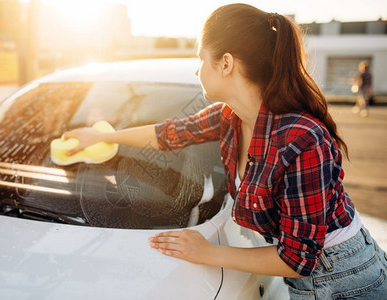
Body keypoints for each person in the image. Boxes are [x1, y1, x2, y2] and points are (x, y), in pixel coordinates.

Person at [64, 3, 387, 298]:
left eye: (200, 58)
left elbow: (298, 258)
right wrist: (101, 138)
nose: (197, 69)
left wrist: (206, 252)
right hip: (310, 277)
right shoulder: (229, 117)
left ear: (226, 63)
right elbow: (170, 134)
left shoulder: (302, 139)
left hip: (346, 278)